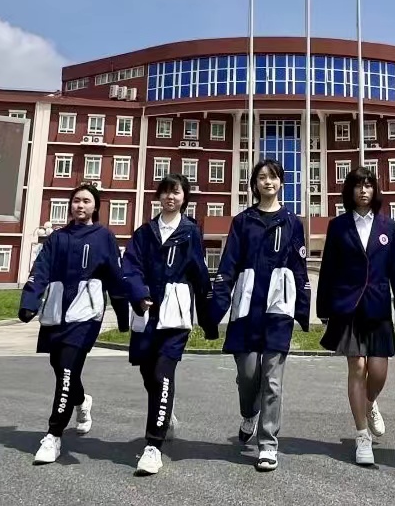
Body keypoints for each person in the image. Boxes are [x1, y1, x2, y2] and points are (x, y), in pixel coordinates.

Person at [18, 183, 130, 465]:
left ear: (96, 206)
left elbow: (115, 276)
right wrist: (29, 301)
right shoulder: (57, 238)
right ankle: (81, 400)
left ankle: (53, 435)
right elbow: (40, 269)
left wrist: (123, 314)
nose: (80, 205)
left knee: (67, 369)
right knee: (60, 367)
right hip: (57, 312)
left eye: (86, 201)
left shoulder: (104, 236)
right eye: (76, 200)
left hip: (85, 315)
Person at [211, 158, 311, 472]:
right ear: (254, 184)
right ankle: (249, 413)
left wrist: (303, 308)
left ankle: (267, 444)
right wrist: (215, 309)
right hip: (247, 309)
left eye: (273, 177)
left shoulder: (292, 222)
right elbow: (228, 265)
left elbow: (299, 268)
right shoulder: (243, 221)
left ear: (281, 182)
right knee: (248, 375)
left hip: (278, 310)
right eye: (262, 177)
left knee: (272, 381)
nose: (268, 182)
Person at [120, 174, 219, 476]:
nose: (170, 197)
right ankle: (166, 414)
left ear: (184, 197)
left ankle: (153, 446)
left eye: (176, 192)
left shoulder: (190, 232)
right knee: (148, 373)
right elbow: (130, 266)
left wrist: (208, 319)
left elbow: (199, 273)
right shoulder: (144, 232)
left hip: (175, 315)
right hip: (147, 312)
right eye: (165, 192)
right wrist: (139, 294)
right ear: (159, 197)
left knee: (163, 373)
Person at [317, 166, 395, 466]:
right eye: (358, 185)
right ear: (350, 191)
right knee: (357, 366)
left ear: (375, 190)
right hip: (348, 307)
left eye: (368, 185)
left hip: (378, 307)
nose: (363, 190)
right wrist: (323, 308)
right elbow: (328, 268)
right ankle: (361, 436)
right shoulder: (338, 226)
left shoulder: (387, 226)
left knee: (378, 372)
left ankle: (369, 403)